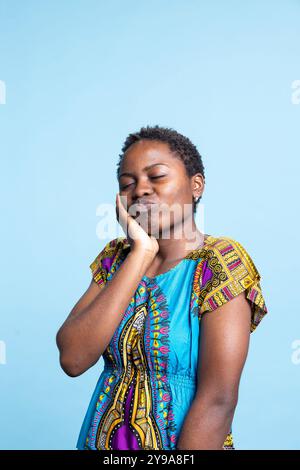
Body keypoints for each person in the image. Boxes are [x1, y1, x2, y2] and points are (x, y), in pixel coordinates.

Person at [56, 125, 268, 450]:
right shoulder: (116, 259)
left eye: (156, 177)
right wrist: (141, 253)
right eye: (128, 183)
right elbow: (73, 358)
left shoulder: (220, 263)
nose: (140, 190)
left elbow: (218, 399)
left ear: (196, 185)